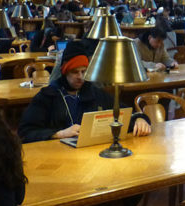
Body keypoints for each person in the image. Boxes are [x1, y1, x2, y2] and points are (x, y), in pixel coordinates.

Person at [18, 51, 152, 143]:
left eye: (84, 71)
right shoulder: (47, 96)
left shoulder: (93, 92)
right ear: (65, 72)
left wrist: (139, 119)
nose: (81, 77)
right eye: (75, 72)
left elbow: (124, 112)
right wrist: (58, 134)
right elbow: (25, 132)